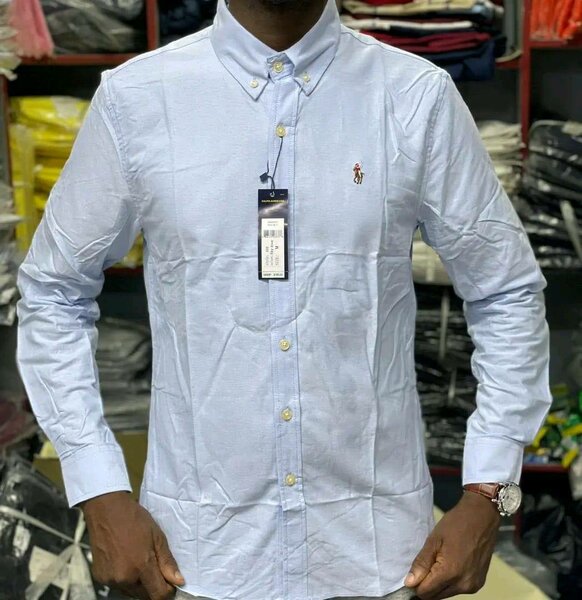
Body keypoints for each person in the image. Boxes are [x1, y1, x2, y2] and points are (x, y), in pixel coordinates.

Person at [16, 0, 552, 599]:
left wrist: (489, 490)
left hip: (378, 560)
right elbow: (53, 290)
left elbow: (507, 290)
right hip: (198, 560)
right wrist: (97, 487)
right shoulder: (138, 100)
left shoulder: (414, 97)